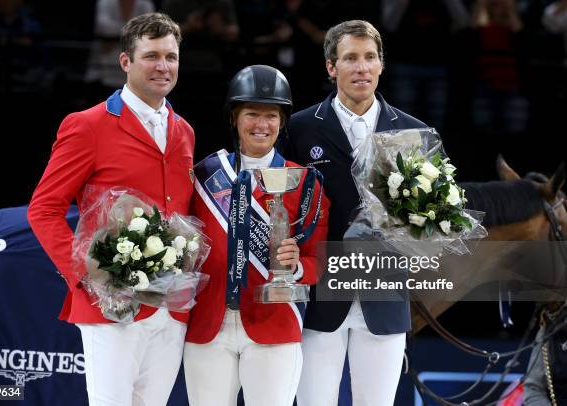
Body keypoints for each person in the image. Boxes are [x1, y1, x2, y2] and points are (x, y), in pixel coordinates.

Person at [27, 12, 194, 406]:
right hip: (111, 304)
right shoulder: (87, 125)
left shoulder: (183, 129)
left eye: (171, 57)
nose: (163, 66)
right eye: (151, 56)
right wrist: (87, 275)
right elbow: (44, 208)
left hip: (170, 307)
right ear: (125, 62)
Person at [283, 20, 426, 405]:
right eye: (350, 58)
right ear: (332, 67)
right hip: (319, 298)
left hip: (384, 299)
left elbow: (426, 223)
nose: (361, 68)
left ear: (381, 64)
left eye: (369, 57)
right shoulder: (298, 130)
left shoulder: (414, 133)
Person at [183, 64, 330, 406]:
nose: (261, 125)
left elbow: (318, 261)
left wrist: (293, 268)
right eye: (251, 114)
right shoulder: (206, 175)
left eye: (271, 116)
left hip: (275, 325)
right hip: (209, 324)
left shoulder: (304, 182)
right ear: (234, 118)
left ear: (282, 123)